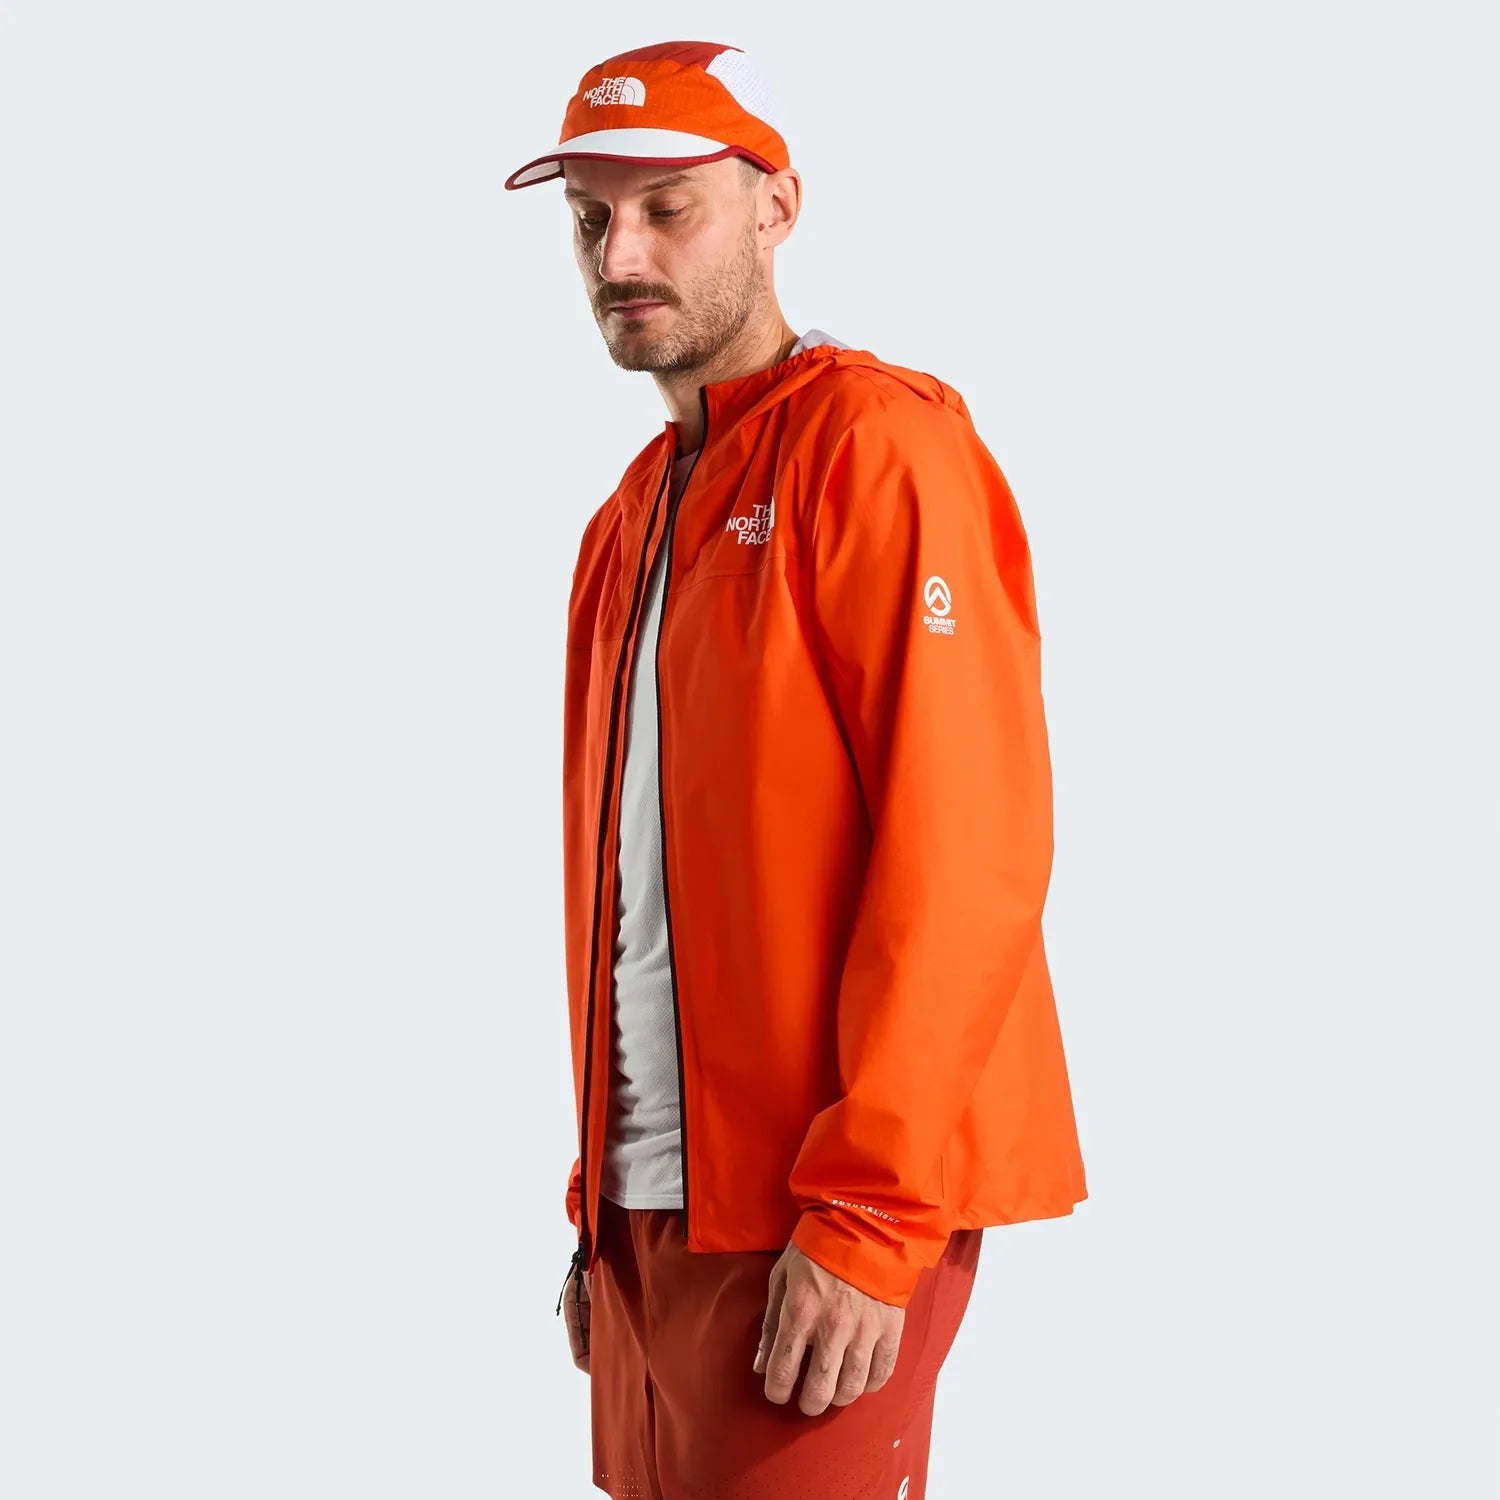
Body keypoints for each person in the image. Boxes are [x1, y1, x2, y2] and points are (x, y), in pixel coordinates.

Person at [507, 39, 1087, 1500]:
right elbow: (629, 894)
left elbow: (970, 851)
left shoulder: (876, 448)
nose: (619, 256)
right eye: (590, 218)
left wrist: (870, 1221)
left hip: (819, 1225)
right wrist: (600, 1210)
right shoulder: (627, 519)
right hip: (648, 1228)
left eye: (668, 209)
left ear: (777, 206)